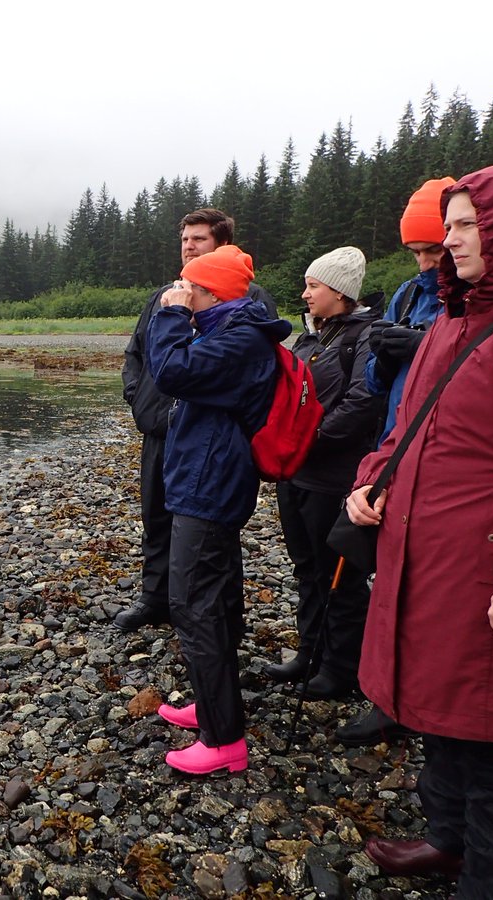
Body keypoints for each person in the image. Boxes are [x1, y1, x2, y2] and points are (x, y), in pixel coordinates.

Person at [347, 159, 493, 899]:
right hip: (430, 563)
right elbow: (409, 428)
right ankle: (447, 841)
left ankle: (492, 881)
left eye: (464, 225)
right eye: (447, 228)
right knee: (441, 710)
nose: (449, 241)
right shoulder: (451, 323)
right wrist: (369, 480)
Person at [145, 245, 290, 774]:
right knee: (218, 598)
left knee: (194, 604)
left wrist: (171, 314)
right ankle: (213, 707)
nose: (182, 291)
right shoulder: (233, 333)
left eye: (191, 286)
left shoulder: (238, 341)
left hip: (211, 487)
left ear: (213, 293)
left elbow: (172, 372)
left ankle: (224, 738)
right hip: (207, 481)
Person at [335, 177, 454, 746]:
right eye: (419, 253)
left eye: (438, 251)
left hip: (446, 462)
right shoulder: (409, 294)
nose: (429, 263)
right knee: (384, 582)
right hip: (395, 448)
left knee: (432, 594)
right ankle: (387, 697)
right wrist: (386, 353)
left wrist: (424, 348)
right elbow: (381, 386)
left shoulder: (472, 298)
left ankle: (429, 706)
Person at [118, 209, 276, 632]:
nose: (189, 246)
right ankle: (155, 599)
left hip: (209, 436)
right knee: (157, 519)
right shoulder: (164, 295)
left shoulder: (248, 298)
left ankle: (223, 614)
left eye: (199, 239)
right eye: (185, 239)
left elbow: (249, 369)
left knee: (210, 529)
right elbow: (135, 354)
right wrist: (140, 402)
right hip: (159, 429)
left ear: (221, 245)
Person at [265, 247, 383, 699]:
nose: (305, 293)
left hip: (336, 477)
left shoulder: (366, 336)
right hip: (295, 474)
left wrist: (307, 440)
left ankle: (342, 668)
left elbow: (362, 404)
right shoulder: (310, 338)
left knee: (340, 576)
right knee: (305, 568)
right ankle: (309, 653)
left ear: (340, 291)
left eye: (313, 285)